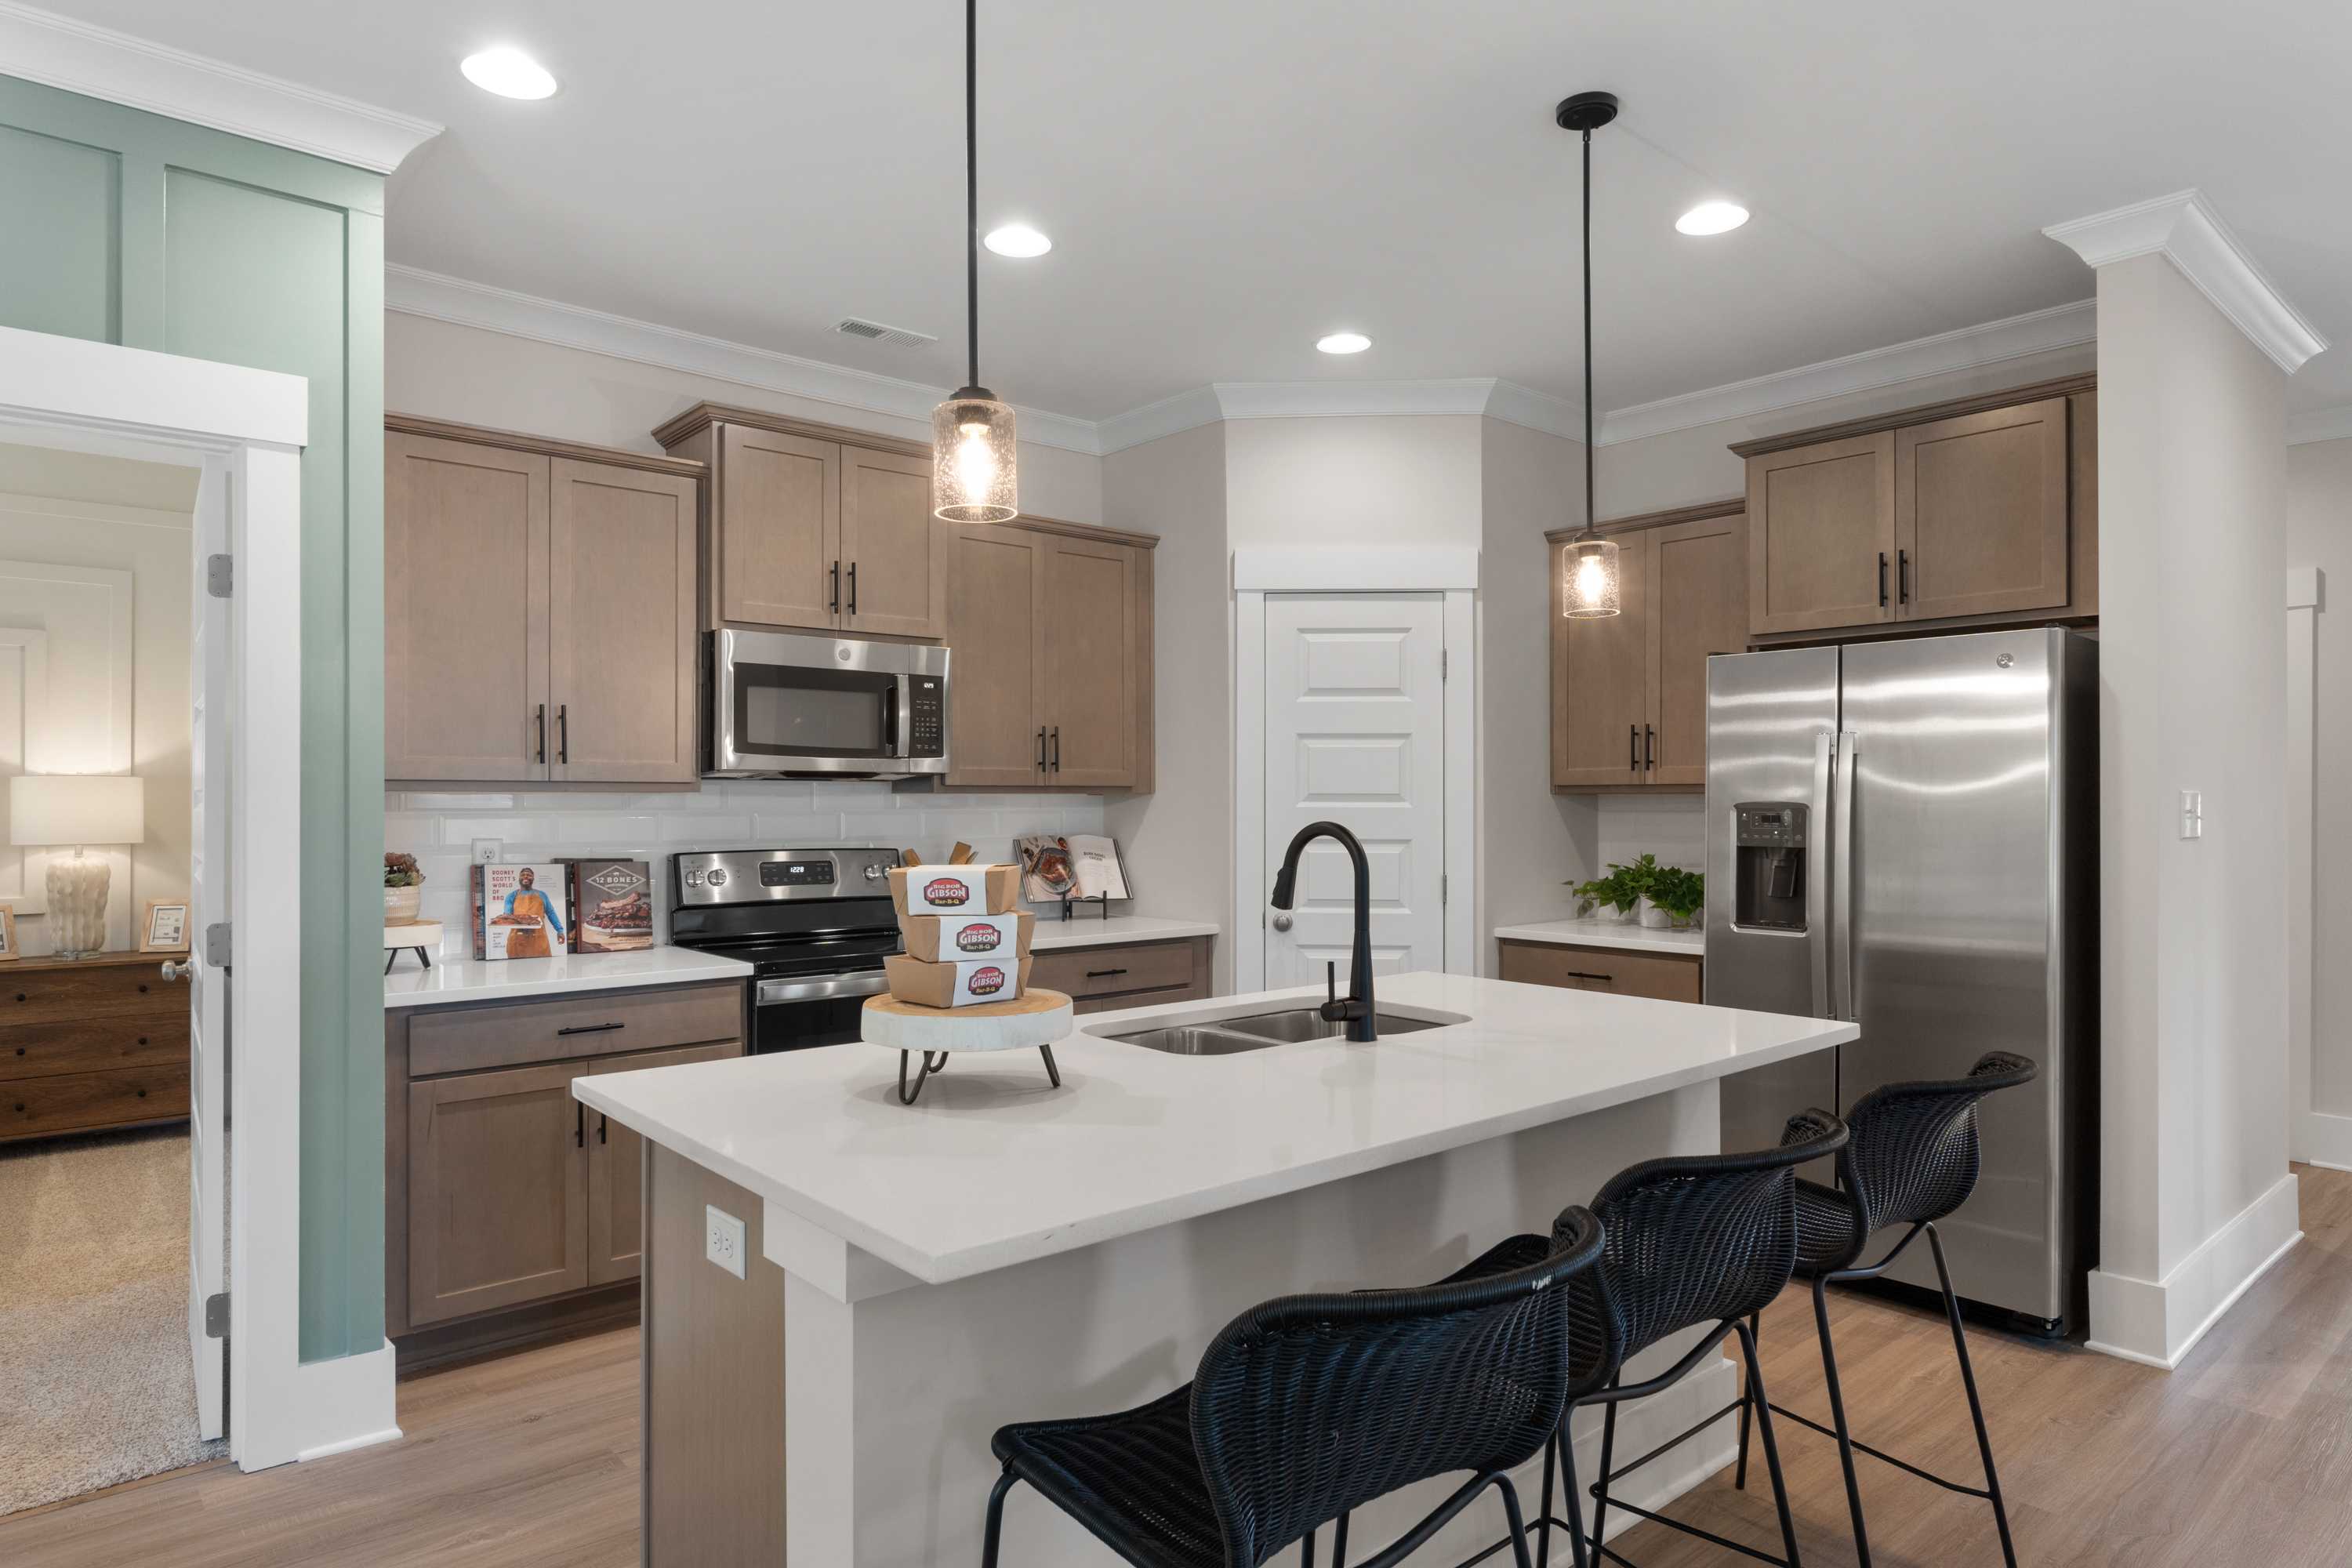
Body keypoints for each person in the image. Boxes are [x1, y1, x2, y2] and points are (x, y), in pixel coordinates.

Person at [497, 867, 564, 959]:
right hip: (517, 939)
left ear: (533, 878)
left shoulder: (542, 895)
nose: (526, 877)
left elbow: (551, 913)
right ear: (519, 878)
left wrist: (560, 930)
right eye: (523, 875)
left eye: (529, 875)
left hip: (539, 938)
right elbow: (507, 914)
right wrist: (504, 918)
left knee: (541, 970)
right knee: (515, 971)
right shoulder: (511, 896)